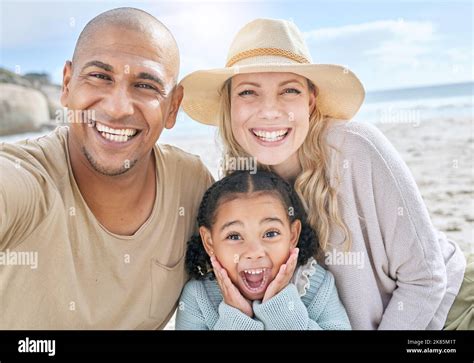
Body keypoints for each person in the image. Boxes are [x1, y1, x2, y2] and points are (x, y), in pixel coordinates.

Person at [179, 18, 468, 329]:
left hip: (447, 307)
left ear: (310, 102)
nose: (270, 110)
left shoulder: (356, 149)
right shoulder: (243, 179)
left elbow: (425, 278)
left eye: (288, 90)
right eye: (249, 93)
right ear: (230, 105)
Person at [0, 8, 213, 329]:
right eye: (100, 76)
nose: (117, 108)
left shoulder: (191, 183)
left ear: (173, 108)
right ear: (67, 84)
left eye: (145, 86)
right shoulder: (26, 179)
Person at [176, 170, 351, 330]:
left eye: (271, 233)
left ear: (292, 235)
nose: (254, 251)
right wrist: (237, 316)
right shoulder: (198, 297)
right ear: (209, 242)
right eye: (235, 236)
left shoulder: (316, 285)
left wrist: (280, 308)